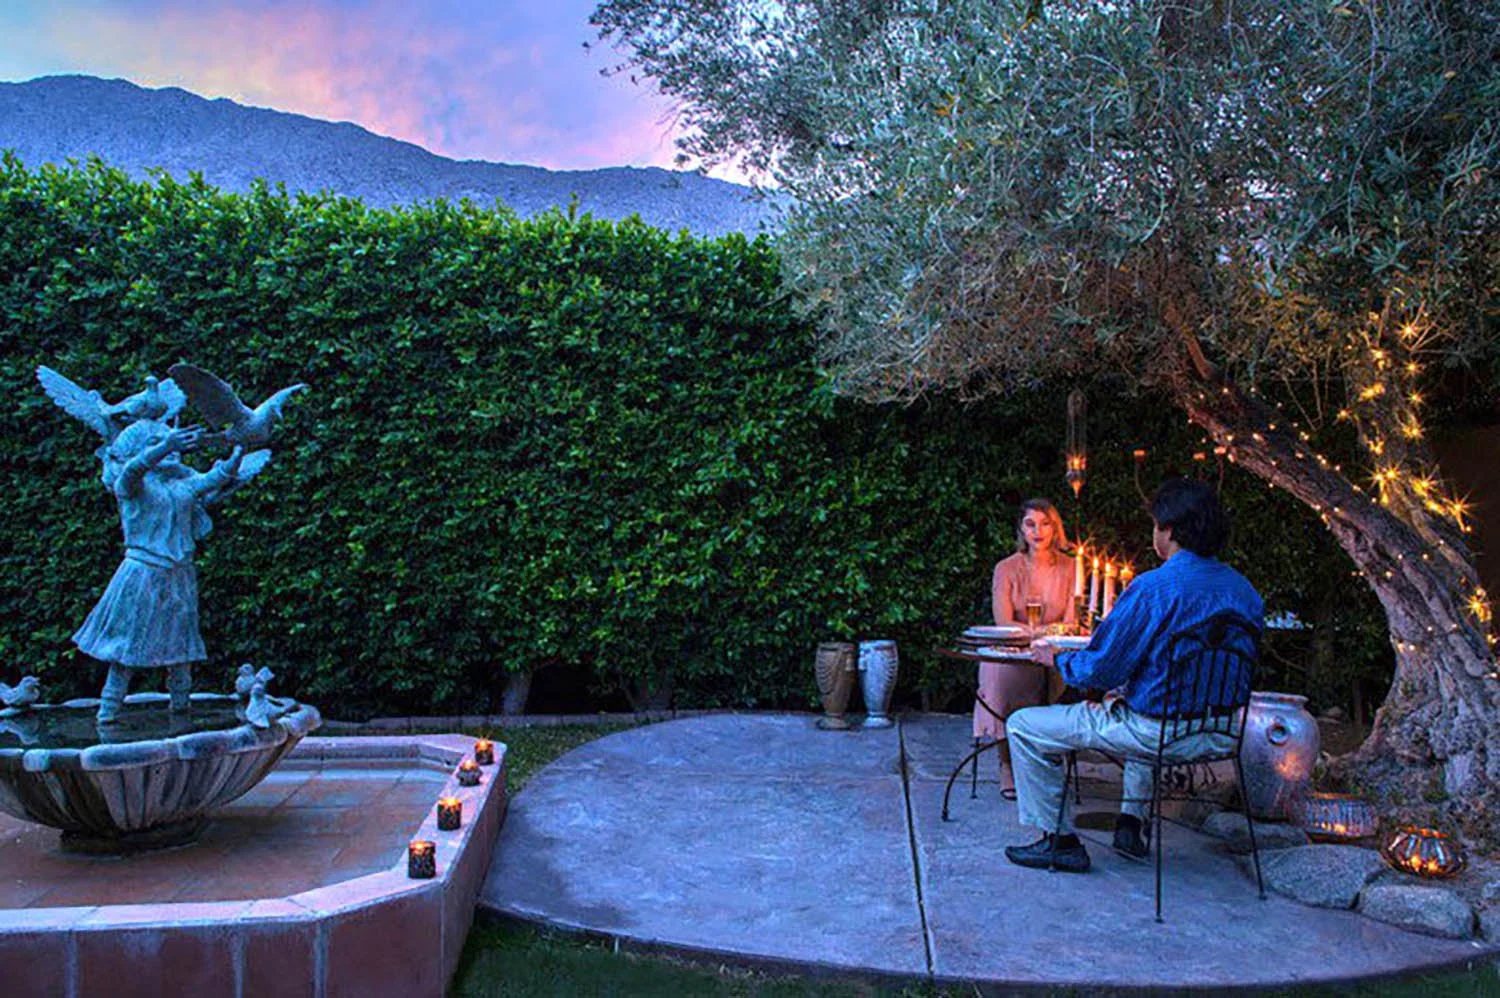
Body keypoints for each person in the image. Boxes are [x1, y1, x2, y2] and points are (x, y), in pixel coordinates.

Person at [1002, 478, 1263, 872]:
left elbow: (1102, 668)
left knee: (1023, 725)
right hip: (1222, 730)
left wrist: (1056, 660)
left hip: (1155, 733)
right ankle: (1129, 825)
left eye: (1156, 525)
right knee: (1137, 703)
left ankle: (1058, 840)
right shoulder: (1244, 591)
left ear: (1169, 530)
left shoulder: (1154, 588)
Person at [72, 419, 254, 722]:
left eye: (172, 442)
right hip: (142, 575)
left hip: (179, 575)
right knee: (126, 648)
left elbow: (210, 479)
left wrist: (235, 458)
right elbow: (132, 470)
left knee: (181, 648)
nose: (171, 444)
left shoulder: (180, 486)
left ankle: (181, 711)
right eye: (158, 441)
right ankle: (108, 713)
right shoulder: (132, 486)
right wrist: (166, 445)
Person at [974, 497, 1077, 799]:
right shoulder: (1006, 568)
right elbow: (1004, 622)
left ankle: (1044, 760)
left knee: (1063, 676)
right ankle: (1006, 763)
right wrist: (1042, 631)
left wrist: (1044, 635)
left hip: (1055, 651)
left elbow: (1073, 623)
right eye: (1030, 524)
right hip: (1013, 650)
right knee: (1001, 675)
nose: (1038, 531)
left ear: (1056, 528)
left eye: (1045, 523)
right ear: (1021, 528)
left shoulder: (1072, 568)